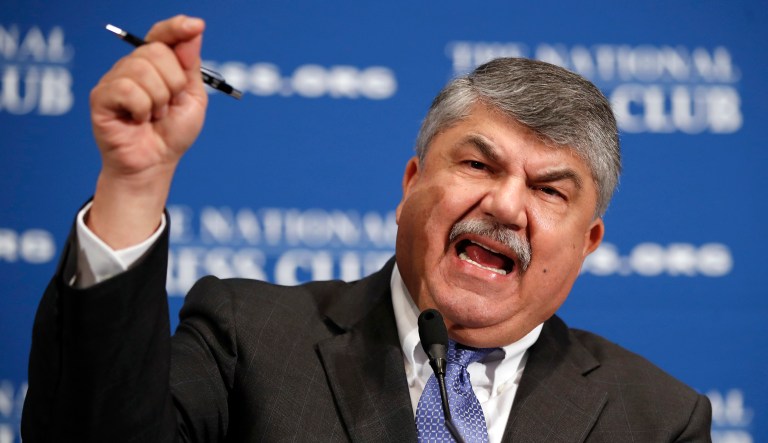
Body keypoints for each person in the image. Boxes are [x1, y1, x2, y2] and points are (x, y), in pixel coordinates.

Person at [22, 15, 712, 443]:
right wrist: (135, 185)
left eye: (547, 189)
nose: (505, 205)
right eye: (478, 163)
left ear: (589, 241)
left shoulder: (655, 418)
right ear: (411, 184)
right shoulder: (250, 337)